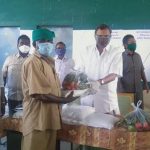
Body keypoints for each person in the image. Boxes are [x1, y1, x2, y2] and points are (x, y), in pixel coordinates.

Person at [21, 28, 78, 150]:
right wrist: (64, 100)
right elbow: (39, 94)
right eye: (42, 41)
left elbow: (51, 88)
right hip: (37, 121)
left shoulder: (49, 61)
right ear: (34, 44)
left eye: (49, 41)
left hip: (49, 119)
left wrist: (72, 90)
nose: (47, 43)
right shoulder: (33, 62)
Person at [78, 24, 122, 115]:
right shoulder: (86, 51)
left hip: (106, 102)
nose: (103, 38)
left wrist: (99, 82)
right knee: (86, 128)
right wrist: (79, 78)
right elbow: (80, 70)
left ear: (110, 37)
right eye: (100, 36)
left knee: (107, 128)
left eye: (106, 36)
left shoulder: (116, 52)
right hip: (87, 100)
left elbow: (114, 74)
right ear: (95, 36)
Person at [117, 34, 149, 109]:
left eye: (135, 42)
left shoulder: (138, 56)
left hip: (138, 91)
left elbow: (141, 71)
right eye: (131, 42)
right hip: (127, 92)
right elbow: (117, 76)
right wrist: (121, 92)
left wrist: (145, 83)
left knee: (140, 111)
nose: (134, 44)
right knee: (128, 113)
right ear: (125, 45)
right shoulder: (120, 58)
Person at [2, 35, 31, 116]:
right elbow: (3, 77)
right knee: (13, 121)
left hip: (28, 98)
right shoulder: (9, 59)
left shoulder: (33, 60)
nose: (24, 45)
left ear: (30, 45)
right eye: (22, 43)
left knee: (27, 121)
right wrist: (2, 94)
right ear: (17, 45)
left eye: (27, 43)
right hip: (12, 98)